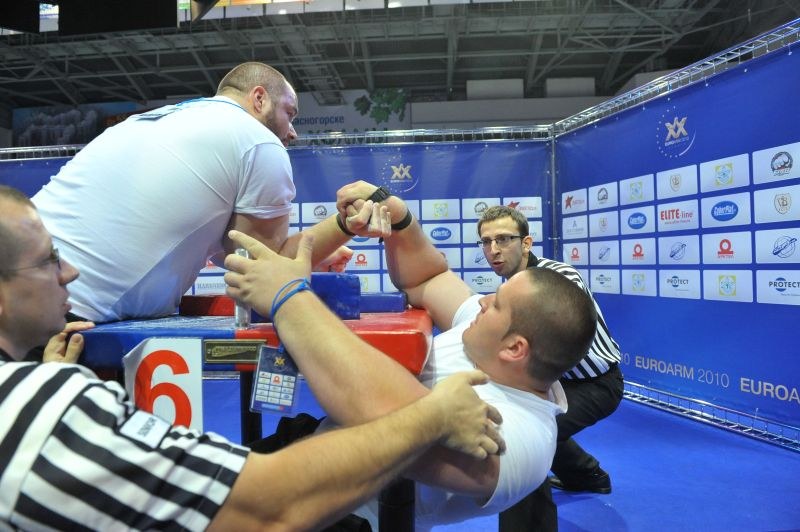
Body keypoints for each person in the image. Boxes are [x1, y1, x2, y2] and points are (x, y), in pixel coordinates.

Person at [0, 184, 506, 530]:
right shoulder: (43, 405)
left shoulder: (39, 394)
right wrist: (432, 415)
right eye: (47, 259)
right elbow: (270, 506)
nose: (69, 273)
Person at [223, 183, 599, 530]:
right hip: (309, 448)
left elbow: (379, 413)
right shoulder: (483, 333)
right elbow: (428, 278)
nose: (482, 300)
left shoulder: (525, 439)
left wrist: (288, 297)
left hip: (337, 514)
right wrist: (398, 215)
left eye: (496, 304)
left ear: (514, 348)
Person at [31, 61, 372, 323]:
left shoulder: (147, 120)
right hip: (67, 311)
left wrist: (310, 252)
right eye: (290, 113)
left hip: (19, 283)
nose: (293, 132)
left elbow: (233, 247)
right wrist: (342, 227)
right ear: (259, 98)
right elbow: (264, 266)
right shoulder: (259, 141)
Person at [477, 204, 624, 531]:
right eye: (486, 242)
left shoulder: (560, 277)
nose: (494, 250)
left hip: (596, 384)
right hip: (557, 382)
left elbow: (534, 341)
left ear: (526, 243)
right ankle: (587, 475)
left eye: (503, 239)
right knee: (531, 417)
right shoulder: (510, 288)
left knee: (520, 440)